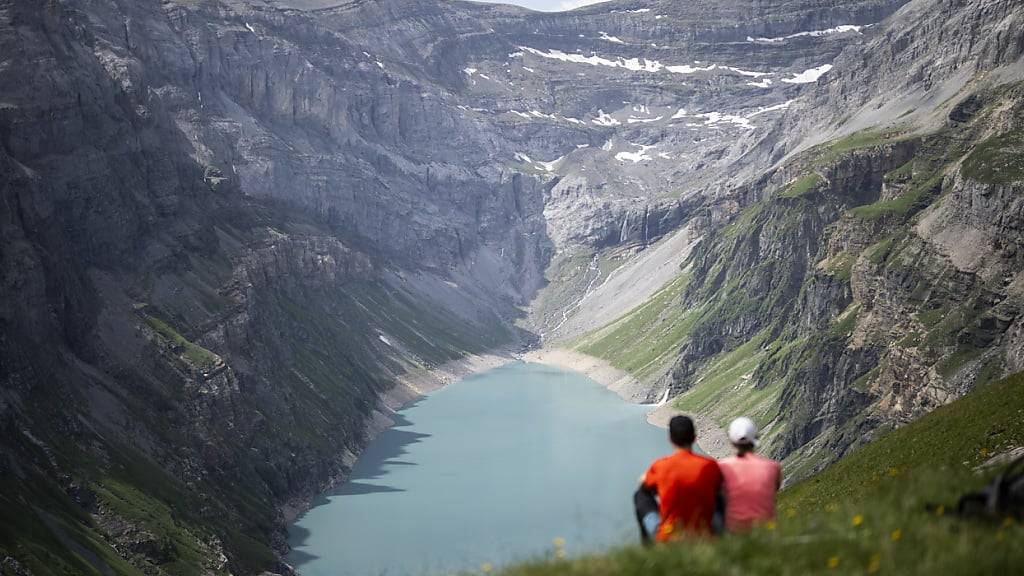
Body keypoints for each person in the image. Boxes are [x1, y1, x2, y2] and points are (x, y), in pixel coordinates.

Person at [635, 415, 723, 543]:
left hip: (669, 537)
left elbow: (643, 484)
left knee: (641, 495)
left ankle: (649, 548)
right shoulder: (710, 465)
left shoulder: (661, 466)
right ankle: (721, 533)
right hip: (703, 534)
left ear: (670, 439)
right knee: (719, 495)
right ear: (694, 438)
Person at [718, 417, 782, 533]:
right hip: (767, 530)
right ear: (755, 437)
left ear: (732, 441)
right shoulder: (773, 467)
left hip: (734, 530)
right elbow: (774, 489)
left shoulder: (722, 467)